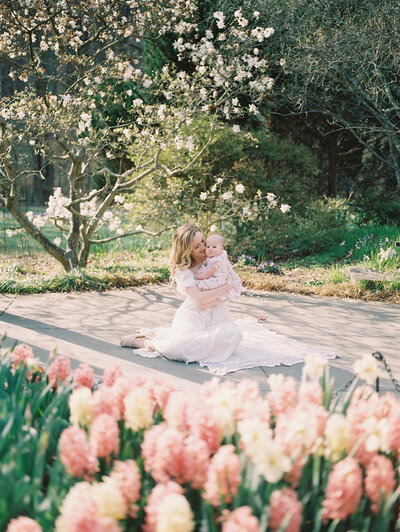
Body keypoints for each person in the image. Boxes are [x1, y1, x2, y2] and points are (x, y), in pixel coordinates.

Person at [120, 223, 338, 374]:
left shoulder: (216, 258)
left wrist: (224, 288)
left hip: (219, 316)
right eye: (197, 247)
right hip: (193, 315)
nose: (204, 248)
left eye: (204, 242)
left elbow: (229, 284)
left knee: (232, 335)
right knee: (180, 348)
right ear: (186, 250)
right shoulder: (183, 270)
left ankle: (167, 337)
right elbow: (200, 301)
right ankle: (148, 342)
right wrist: (224, 287)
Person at [194, 233, 244, 301]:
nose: (210, 249)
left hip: (218, 279)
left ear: (221, 249)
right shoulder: (215, 256)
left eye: (214, 247)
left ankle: (208, 294)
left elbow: (208, 273)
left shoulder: (217, 260)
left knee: (203, 283)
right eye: (208, 246)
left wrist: (198, 276)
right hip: (217, 277)